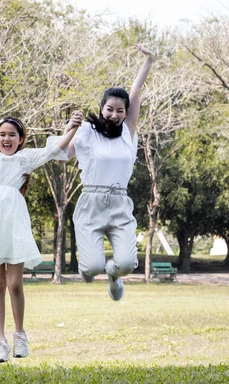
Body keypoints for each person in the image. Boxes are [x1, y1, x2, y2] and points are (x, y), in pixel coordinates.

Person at [0, 74, 83, 363]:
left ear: (20, 139)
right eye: (2, 134)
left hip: (13, 221)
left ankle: (20, 335)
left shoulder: (25, 158)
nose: (6, 139)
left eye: (12, 135)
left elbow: (55, 149)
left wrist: (73, 127)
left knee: (14, 283)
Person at [68, 44, 154, 301]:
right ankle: (93, 269)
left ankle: (114, 275)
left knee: (127, 264)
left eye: (120, 110)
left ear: (126, 113)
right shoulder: (87, 130)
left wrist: (149, 61)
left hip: (119, 203)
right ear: (102, 108)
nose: (114, 114)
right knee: (91, 268)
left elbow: (136, 92)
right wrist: (69, 129)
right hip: (91, 202)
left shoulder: (128, 132)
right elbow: (64, 156)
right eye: (109, 109)